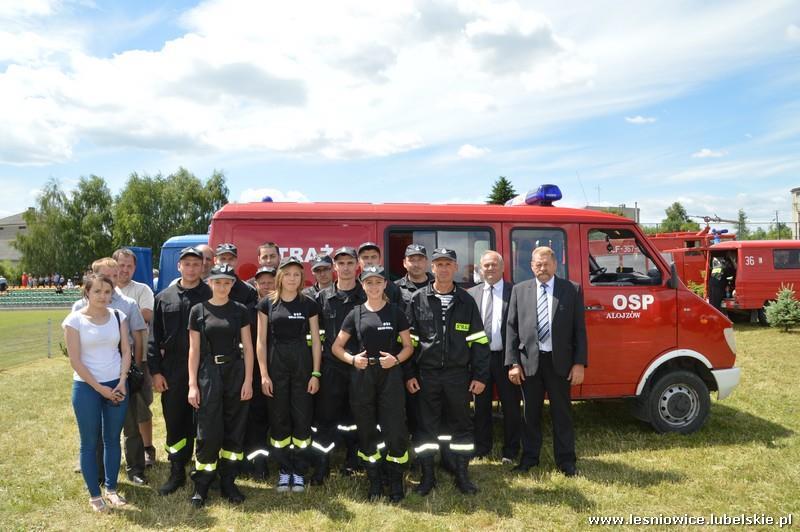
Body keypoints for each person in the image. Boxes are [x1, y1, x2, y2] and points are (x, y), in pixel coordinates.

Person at [406, 248, 490, 495]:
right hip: (426, 375)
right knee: (425, 428)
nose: (443, 269)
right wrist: (409, 374)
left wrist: (479, 376)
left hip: (458, 376)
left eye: (448, 264)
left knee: (461, 426)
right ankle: (427, 477)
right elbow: (408, 343)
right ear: (432, 268)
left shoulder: (466, 301)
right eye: (439, 264)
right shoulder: (418, 299)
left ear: (455, 268)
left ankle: (462, 475)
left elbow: (479, 342)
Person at [332, 266, 413, 502]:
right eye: (369, 283)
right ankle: (375, 481)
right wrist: (353, 359)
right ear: (363, 286)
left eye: (378, 282)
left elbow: (408, 346)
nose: (374, 287)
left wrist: (396, 359)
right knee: (366, 430)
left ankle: (395, 481)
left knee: (395, 430)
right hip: (363, 377)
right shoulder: (355, 313)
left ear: (385, 285)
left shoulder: (396, 312)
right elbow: (337, 347)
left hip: (390, 375)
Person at [506, 246, 588, 477]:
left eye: (546, 264)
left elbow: (579, 330)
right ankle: (529, 458)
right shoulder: (520, 290)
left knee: (562, 413)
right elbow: (511, 329)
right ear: (531, 266)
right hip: (528, 363)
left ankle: (566, 461)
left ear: (555, 265)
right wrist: (513, 363)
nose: (542, 268)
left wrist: (579, 363)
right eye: (537, 264)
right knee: (529, 414)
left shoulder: (571, 289)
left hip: (560, 363)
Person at [72, 258, 148, 486]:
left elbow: (137, 336)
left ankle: (136, 469)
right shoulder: (77, 309)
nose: (111, 281)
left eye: (114, 276)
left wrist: (138, 366)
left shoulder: (127, 305)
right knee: (94, 431)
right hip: (91, 376)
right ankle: (97, 472)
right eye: (106, 276)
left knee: (130, 424)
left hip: (122, 373)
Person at [187, 264, 254, 507]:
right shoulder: (198, 311)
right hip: (209, 374)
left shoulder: (240, 311)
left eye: (227, 282)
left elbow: (248, 348)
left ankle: (228, 482)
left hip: (235, 372)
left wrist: (248, 380)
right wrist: (193, 384)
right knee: (208, 430)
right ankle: (202, 484)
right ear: (210, 283)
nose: (223, 286)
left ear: (232, 284)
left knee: (235, 428)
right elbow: (193, 351)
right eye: (218, 282)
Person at [63, 273, 131, 512]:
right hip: (86, 388)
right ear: (87, 293)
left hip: (117, 385)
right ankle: (94, 494)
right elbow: (75, 360)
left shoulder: (118, 316)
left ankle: (111, 489)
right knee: (89, 443)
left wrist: (122, 381)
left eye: (107, 291)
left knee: (113, 440)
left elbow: (126, 350)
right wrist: (99, 388)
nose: (103, 296)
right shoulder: (74, 320)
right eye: (97, 291)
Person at [149, 247, 212, 496]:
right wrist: (155, 372)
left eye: (196, 264)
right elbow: (154, 337)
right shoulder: (164, 297)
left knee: (204, 422)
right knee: (175, 422)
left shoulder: (210, 294)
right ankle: (177, 471)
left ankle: (203, 471)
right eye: (186, 264)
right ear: (179, 267)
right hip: (173, 370)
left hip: (206, 368)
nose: (191, 268)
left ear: (202, 266)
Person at [256, 256, 322, 492]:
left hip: (303, 365)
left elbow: (316, 341)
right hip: (276, 365)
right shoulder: (267, 303)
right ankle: (284, 469)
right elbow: (260, 342)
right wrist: (263, 374)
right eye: (288, 274)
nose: (292, 278)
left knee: (302, 418)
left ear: (301, 278)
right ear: (280, 277)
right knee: (279, 418)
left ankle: (299, 470)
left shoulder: (309, 304)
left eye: (297, 274)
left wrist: (316, 373)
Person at [311, 246, 366, 484]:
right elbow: (314, 336)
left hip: (359, 367)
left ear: (357, 266)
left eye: (349, 263)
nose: (345, 268)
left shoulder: (367, 295)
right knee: (326, 418)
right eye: (340, 263)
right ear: (335, 267)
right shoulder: (322, 298)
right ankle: (322, 466)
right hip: (331, 368)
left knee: (356, 417)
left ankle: (352, 461)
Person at [467, 250, 520, 463]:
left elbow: (520, 328)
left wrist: (515, 361)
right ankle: (482, 447)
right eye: (486, 265)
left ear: (503, 267)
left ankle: (511, 450)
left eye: (494, 265)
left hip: (505, 358)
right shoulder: (472, 294)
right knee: (481, 406)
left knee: (511, 406)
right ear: (480, 269)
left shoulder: (515, 291)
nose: (490, 269)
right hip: (479, 360)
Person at [113, 248, 158, 469]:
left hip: (140, 358)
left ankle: (147, 449)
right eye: (121, 265)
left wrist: (126, 313)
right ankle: (97, 452)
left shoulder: (141, 289)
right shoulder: (103, 289)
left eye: (129, 266)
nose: (125, 270)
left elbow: (148, 314)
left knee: (141, 405)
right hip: (110, 360)